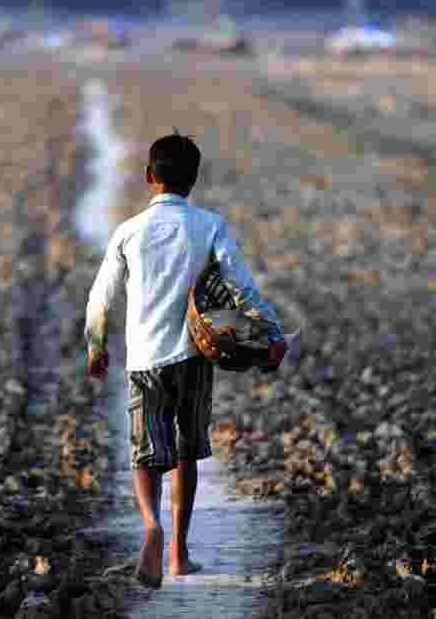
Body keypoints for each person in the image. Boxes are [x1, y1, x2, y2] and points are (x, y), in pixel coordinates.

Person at [84, 133, 287, 588]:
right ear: (193, 180)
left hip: (144, 359)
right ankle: (178, 552)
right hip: (194, 357)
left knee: (145, 452)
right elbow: (242, 288)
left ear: (148, 177)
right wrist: (271, 334)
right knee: (186, 452)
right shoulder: (210, 225)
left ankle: (150, 526)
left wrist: (96, 346)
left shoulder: (128, 231)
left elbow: (101, 296)